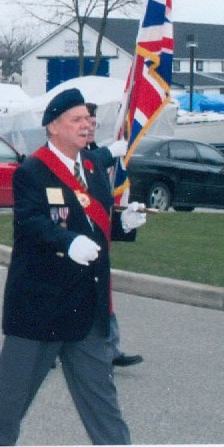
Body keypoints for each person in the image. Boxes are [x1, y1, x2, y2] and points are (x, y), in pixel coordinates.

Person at [0, 87, 146, 446]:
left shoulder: (93, 166)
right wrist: (68, 242)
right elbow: (31, 224)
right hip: (40, 309)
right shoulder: (33, 171)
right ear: (53, 126)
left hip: (86, 309)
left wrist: (123, 225)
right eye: (77, 120)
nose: (87, 126)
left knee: (104, 407)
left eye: (88, 119)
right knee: (10, 409)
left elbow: (94, 225)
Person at [83, 102, 143, 369]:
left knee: (100, 296)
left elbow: (102, 203)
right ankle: (45, 350)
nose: (90, 129)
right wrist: (108, 153)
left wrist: (124, 223)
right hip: (73, 240)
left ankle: (109, 348)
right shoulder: (78, 156)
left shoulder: (96, 154)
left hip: (97, 239)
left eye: (94, 124)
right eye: (84, 123)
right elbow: (80, 169)